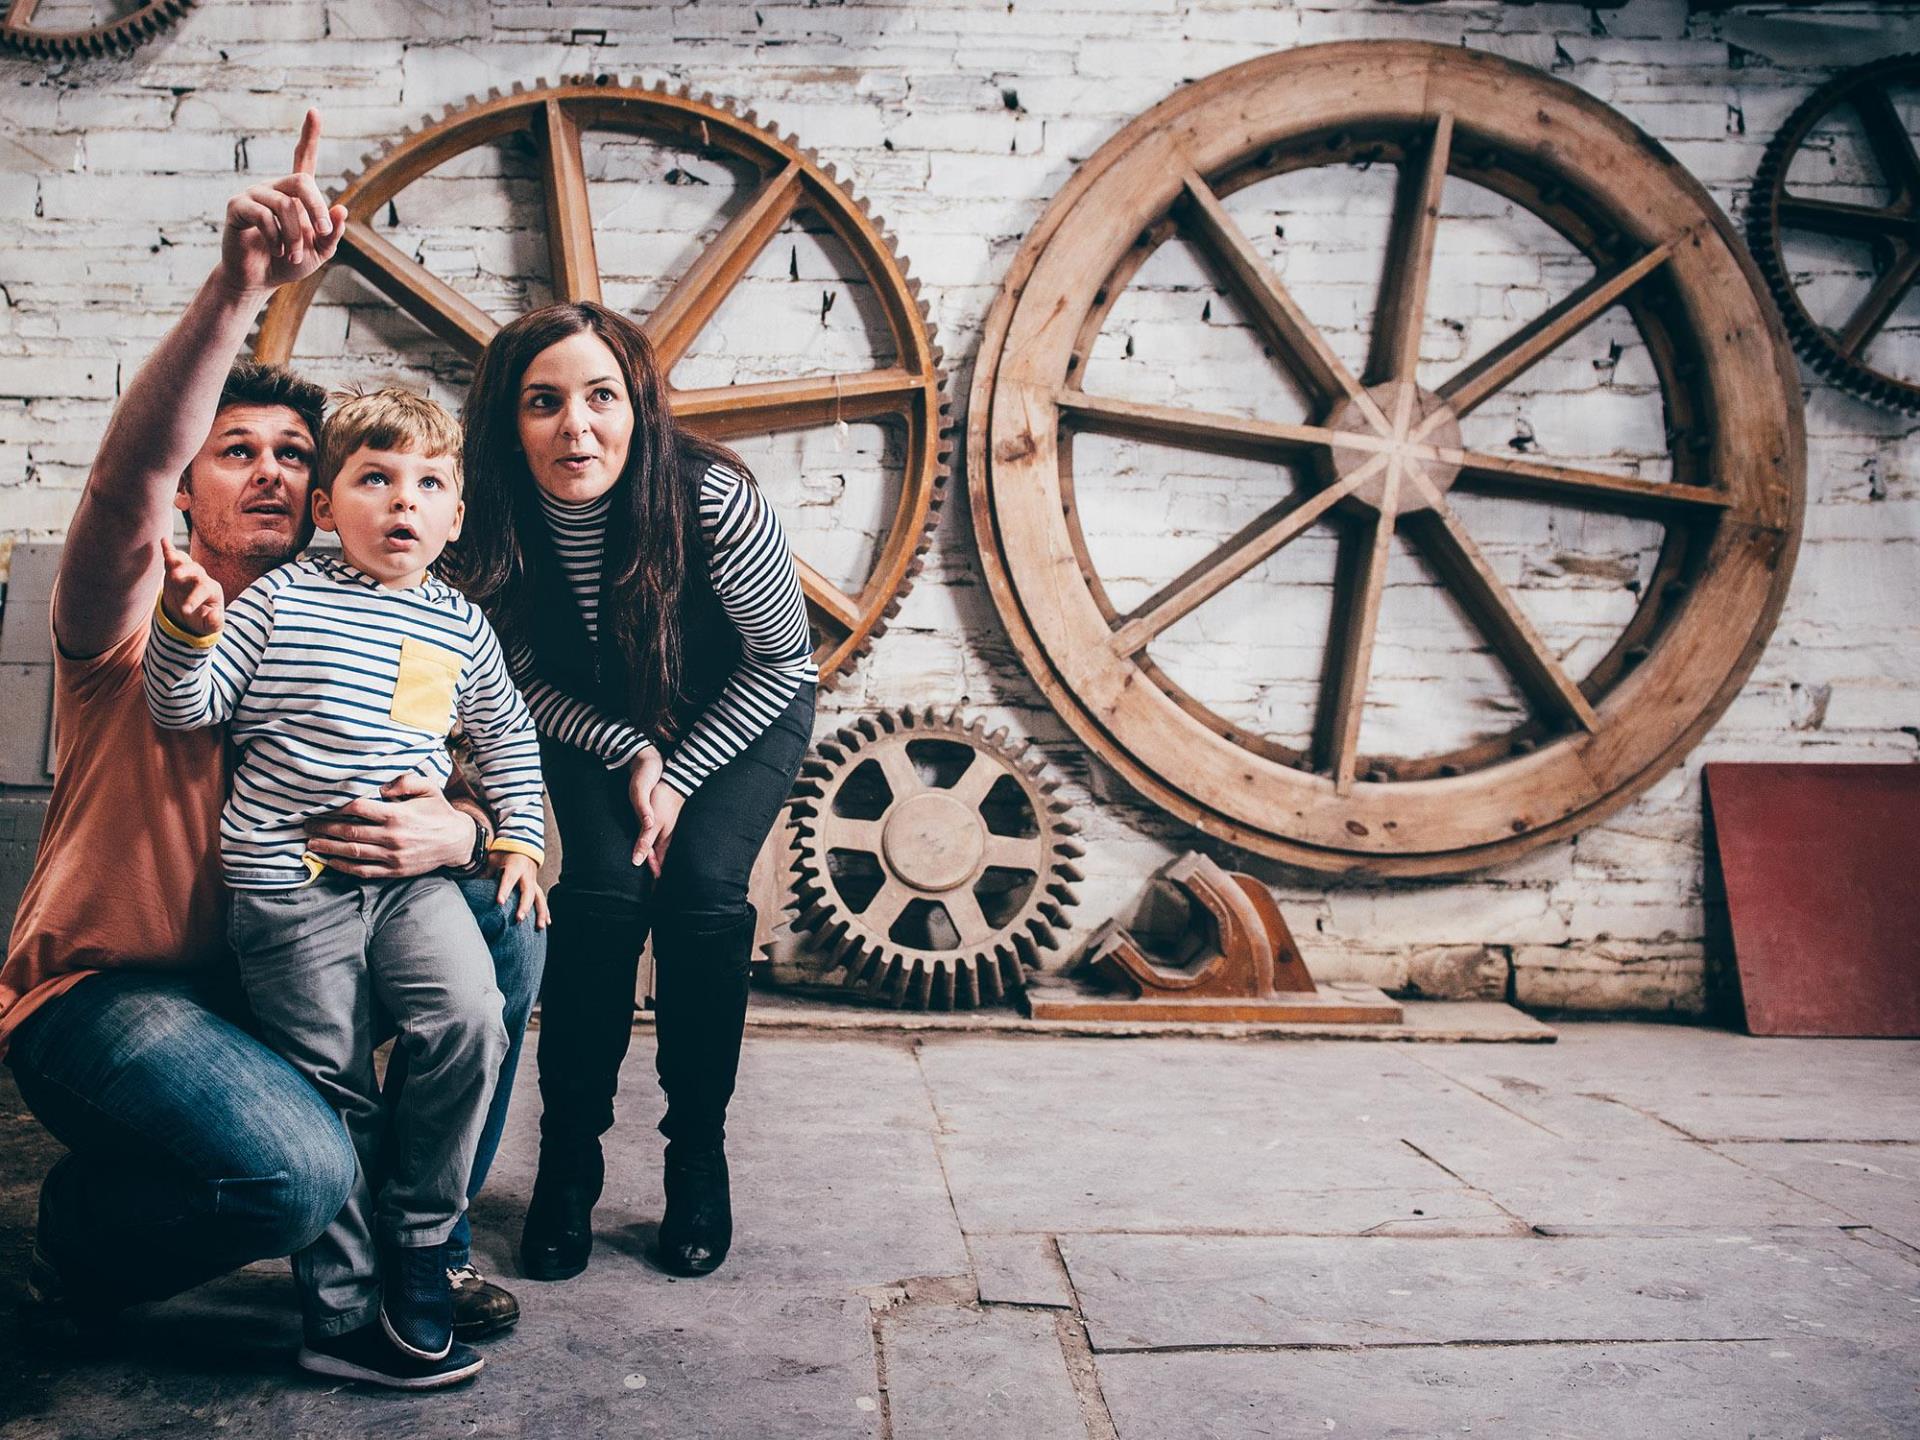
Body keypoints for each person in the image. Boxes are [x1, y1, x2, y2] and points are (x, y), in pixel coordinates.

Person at [0, 111, 542, 1388]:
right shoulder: (125, 610)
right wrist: (241, 282)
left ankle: (429, 1249)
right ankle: (81, 1241)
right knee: (296, 1170)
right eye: (231, 452)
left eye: (296, 456)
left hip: (275, 956)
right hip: (111, 997)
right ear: (192, 485)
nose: (268, 474)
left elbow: (465, 743)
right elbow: (128, 480)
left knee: (508, 930)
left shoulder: (365, 620)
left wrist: (473, 828)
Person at [144, 386, 547, 1385]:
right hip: (289, 886)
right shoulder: (280, 601)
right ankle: (338, 1314)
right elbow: (184, 708)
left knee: (471, 1022)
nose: (402, 502)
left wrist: (518, 846)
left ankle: (420, 1244)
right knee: (336, 1088)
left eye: (428, 484)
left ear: (455, 514)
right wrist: (188, 626)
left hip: (406, 884)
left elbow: (507, 740)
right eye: (375, 479)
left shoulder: (456, 625)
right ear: (329, 507)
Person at [454, 301, 816, 1281]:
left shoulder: (712, 500)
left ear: (639, 406)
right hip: (591, 720)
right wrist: (625, 751)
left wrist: (681, 770)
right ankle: (568, 1161)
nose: (577, 426)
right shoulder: (489, 514)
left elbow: (782, 663)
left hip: (742, 710)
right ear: (508, 421)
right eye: (544, 402)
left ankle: (696, 1156)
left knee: (701, 895)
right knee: (603, 898)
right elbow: (514, 679)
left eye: (601, 396)